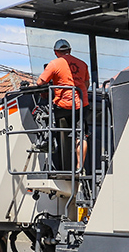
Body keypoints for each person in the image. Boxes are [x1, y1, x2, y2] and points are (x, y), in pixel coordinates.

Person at [36, 39, 89, 171]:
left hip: (63, 106)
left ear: (56, 52)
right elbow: (87, 84)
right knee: (81, 135)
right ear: (70, 50)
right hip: (82, 105)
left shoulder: (54, 64)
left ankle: (48, 144)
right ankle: (79, 166)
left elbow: (40, 82)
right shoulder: (83, 64)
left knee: (48, 121)